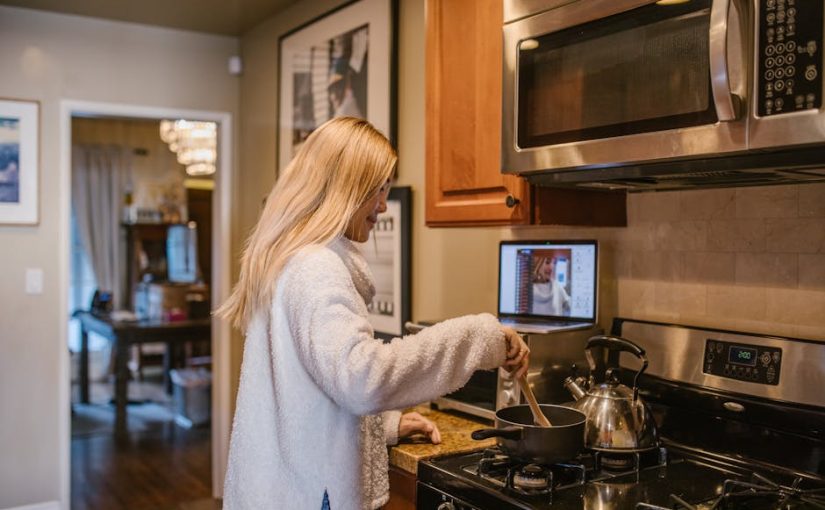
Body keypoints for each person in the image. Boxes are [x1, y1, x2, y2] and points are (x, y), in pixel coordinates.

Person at [216, 117, 529, 510]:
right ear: (345, 188)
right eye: (378, 189)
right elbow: (363, 378)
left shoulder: (290, 259)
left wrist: (383, 426)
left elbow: (312, 394)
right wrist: (477, 337)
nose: (383, 204)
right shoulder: (316, 267)